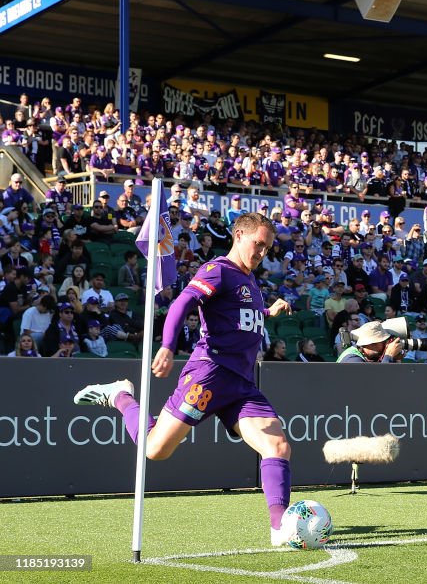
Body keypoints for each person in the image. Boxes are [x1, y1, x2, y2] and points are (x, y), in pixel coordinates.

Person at [71, 213, 296, 546]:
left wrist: (266, 314)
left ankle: (281, 529)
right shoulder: (218, 269)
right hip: (209, 375)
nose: (262, 252)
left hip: (241, 386)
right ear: (238, 235)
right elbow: (183, 303)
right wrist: (166, 346)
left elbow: (238, 318)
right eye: (257, 244)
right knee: (154, 450)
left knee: (277, 446)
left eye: (267, 248)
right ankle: (121, 395)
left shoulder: (250, 282)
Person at [336, 320, 406, 363]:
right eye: (383, 341)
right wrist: (388, 356)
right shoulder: (352, 359)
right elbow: (373, 381)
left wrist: (395, 359)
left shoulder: (370, 357)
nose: (386, 344)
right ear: (371, 344)